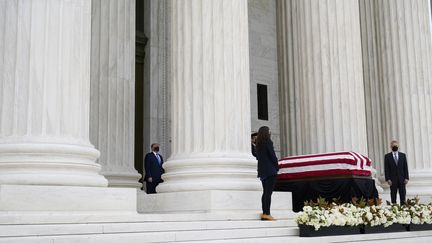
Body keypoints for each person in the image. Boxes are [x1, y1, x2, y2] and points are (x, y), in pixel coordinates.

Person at [256, 126, 279, 220]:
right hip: (270, 171)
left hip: (262, 172)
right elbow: (273, 156)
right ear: (266, 132)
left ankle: (264, 212)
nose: (270, 132)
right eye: (269, 131)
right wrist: (277, 166)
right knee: (268, 193)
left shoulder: (258, 144)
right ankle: (267, 213)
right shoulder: (268, 142)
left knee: (265, 192)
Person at [384, 140, 409, 204]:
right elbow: (386, 169)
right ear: (391, 146)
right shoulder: (387, 156)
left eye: (396, 145)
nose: (395, 146)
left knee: (403, 194)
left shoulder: (403, 155)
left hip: (402, 179)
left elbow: (405, 167)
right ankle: (394, 208)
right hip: (392, 180)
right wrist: (388, 179)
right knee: (393, 195)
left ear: (398, 146)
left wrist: (406, 177)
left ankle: (403, 208)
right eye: (393, 145)